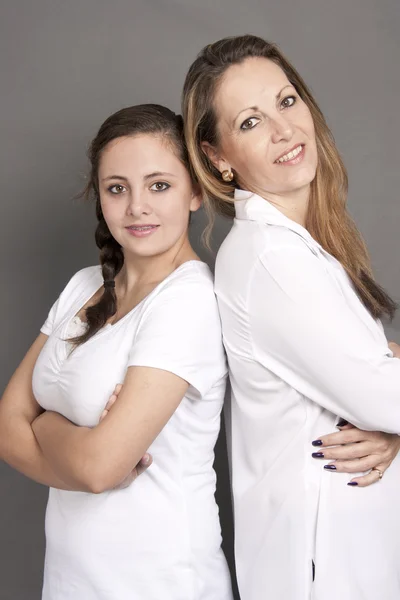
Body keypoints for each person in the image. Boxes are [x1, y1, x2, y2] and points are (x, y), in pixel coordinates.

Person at [182, 34, 400, 600]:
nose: (284, 130)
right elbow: (387, 394)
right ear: (218, 157)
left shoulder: (300, 248)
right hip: (318, 570)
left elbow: (376, 385)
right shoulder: (270, 260)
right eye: (250, 123)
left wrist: (391, 421)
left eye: (286, 101)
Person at [0, 104, 233, 600]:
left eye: (159, 185)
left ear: (195, 191)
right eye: (117, 188)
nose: (136, 207)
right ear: (100, 197)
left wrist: (41, 424)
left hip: (161, 583)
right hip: (71, 581)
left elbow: (101, 468)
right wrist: (80, 451)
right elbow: (6, 429)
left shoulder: (188, 301)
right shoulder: (84, 285)